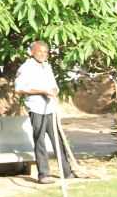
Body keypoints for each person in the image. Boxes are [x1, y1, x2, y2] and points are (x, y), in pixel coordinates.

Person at [14, 41, 74, 184]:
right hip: (37, 109)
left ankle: (67, 171)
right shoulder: (26, 67)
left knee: (58, 140)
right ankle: (43, 175)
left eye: (46, 52)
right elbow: (19, 89)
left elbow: (53, 86)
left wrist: (53, 91)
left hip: (50, 109)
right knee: (40, 140)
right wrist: (41, 91)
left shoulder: (47, 66)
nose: (43, 54)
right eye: (40, 51)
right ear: (32, 52)